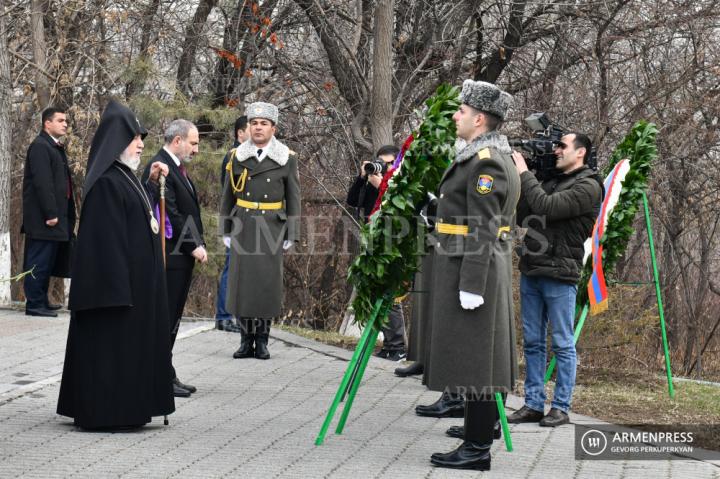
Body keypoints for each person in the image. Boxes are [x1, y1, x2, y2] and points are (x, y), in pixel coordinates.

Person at [57, 100, 174, 430]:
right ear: (117, 141)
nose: (141, 144)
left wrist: (151, 183)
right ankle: (111, 413)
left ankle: (133, 407)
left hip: (136, 290)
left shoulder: (126, 177)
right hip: (116, 296)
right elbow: (105, 245)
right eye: (135, 138)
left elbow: (138, 218)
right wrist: (119, 291)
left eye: (141, 138)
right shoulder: (108, 183)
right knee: (112, 359)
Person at [422, 80, 520, 471]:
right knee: (475, 356)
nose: (455, 116)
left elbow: (483, 225)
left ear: (479, 119)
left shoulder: (487, 161)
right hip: (466, 260)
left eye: (461, 111)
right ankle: (475, 440)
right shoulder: (487, 154)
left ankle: (477, 448)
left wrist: (471, 284)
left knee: (479, 360)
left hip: (472, 266)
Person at [507, 133, 603, 427]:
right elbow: (524, 215)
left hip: (561, 273)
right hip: (533, 268)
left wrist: (524, 173)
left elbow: (548, 207)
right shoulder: (549, 180)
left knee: (562, 343)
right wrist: (527, 176)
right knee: (533, 342)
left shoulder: (588, 186)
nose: (556, 151)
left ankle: (560, 407)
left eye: (562, 146)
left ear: (581, 152)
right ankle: (533, 404)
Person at [220, 102, 300, 360]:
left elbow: (294, 198)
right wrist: (225, 229)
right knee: (242, 285)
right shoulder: (237, 156)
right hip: (243, 224)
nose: (258, 127)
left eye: (264, 123)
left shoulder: (286, 158)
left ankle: (262, 341)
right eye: (254, 123)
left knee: (267, 285)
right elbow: (227, 196)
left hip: (272, 227)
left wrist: (292, 233)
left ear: (273, 128)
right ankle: (245, 341)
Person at [142, 119, 207, 398]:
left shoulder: (178, 168)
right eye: (193, 143)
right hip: (172, 254)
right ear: (177, 140)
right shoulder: (160, 167)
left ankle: (166, 372)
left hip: (181, 255)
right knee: (165, 316)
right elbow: (173, 214)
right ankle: (158, 376)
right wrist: (193, 245)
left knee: (173, 317)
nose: (195, 149)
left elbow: (187, 210)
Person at [346, 145, 408, 361]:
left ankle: (398, 345)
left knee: (390, 292)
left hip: (392, 242)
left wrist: (383, 185)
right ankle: (387, 342)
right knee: (375, 291)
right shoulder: (373, 177)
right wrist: (363, 177)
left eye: (389, 162)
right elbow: (353, 201)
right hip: (372, 238)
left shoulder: (401, 179)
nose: (384, 166)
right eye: (380, 161)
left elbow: (403, 206)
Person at [21, 107, 76, 317]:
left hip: (55, 219)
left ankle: (41, 300)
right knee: (38, 261)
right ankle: (34, 304)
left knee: (48, 261)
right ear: (47, 123)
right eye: (60, 120)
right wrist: (50, 214)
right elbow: (43, 184)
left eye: (66, 121)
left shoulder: (52, 147)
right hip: (44, 219)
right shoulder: (40, 146)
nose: (65, 124)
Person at [215, 115, 250, 333]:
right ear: (240, 133)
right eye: (251, 127)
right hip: (237, 219)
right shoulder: (233, 156)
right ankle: (224, 316)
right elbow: (230, 192)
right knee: (232, 268)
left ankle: (233, 315)